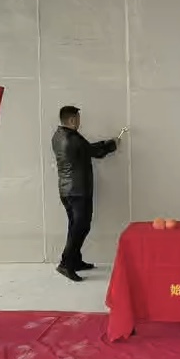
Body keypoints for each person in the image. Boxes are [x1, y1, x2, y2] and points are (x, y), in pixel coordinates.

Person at [51, 106, 126, 282]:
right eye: (78, 119)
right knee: (81, 227)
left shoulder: (57, 136)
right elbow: (95, 151)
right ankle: (66, 263)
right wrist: (113, 144)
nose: (79, 122)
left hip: (66, 190)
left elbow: (86, 149)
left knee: (74, 226)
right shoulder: (73, 138)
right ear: (71, 120)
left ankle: (75, 260)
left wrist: (107, 143)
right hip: (78, 191)